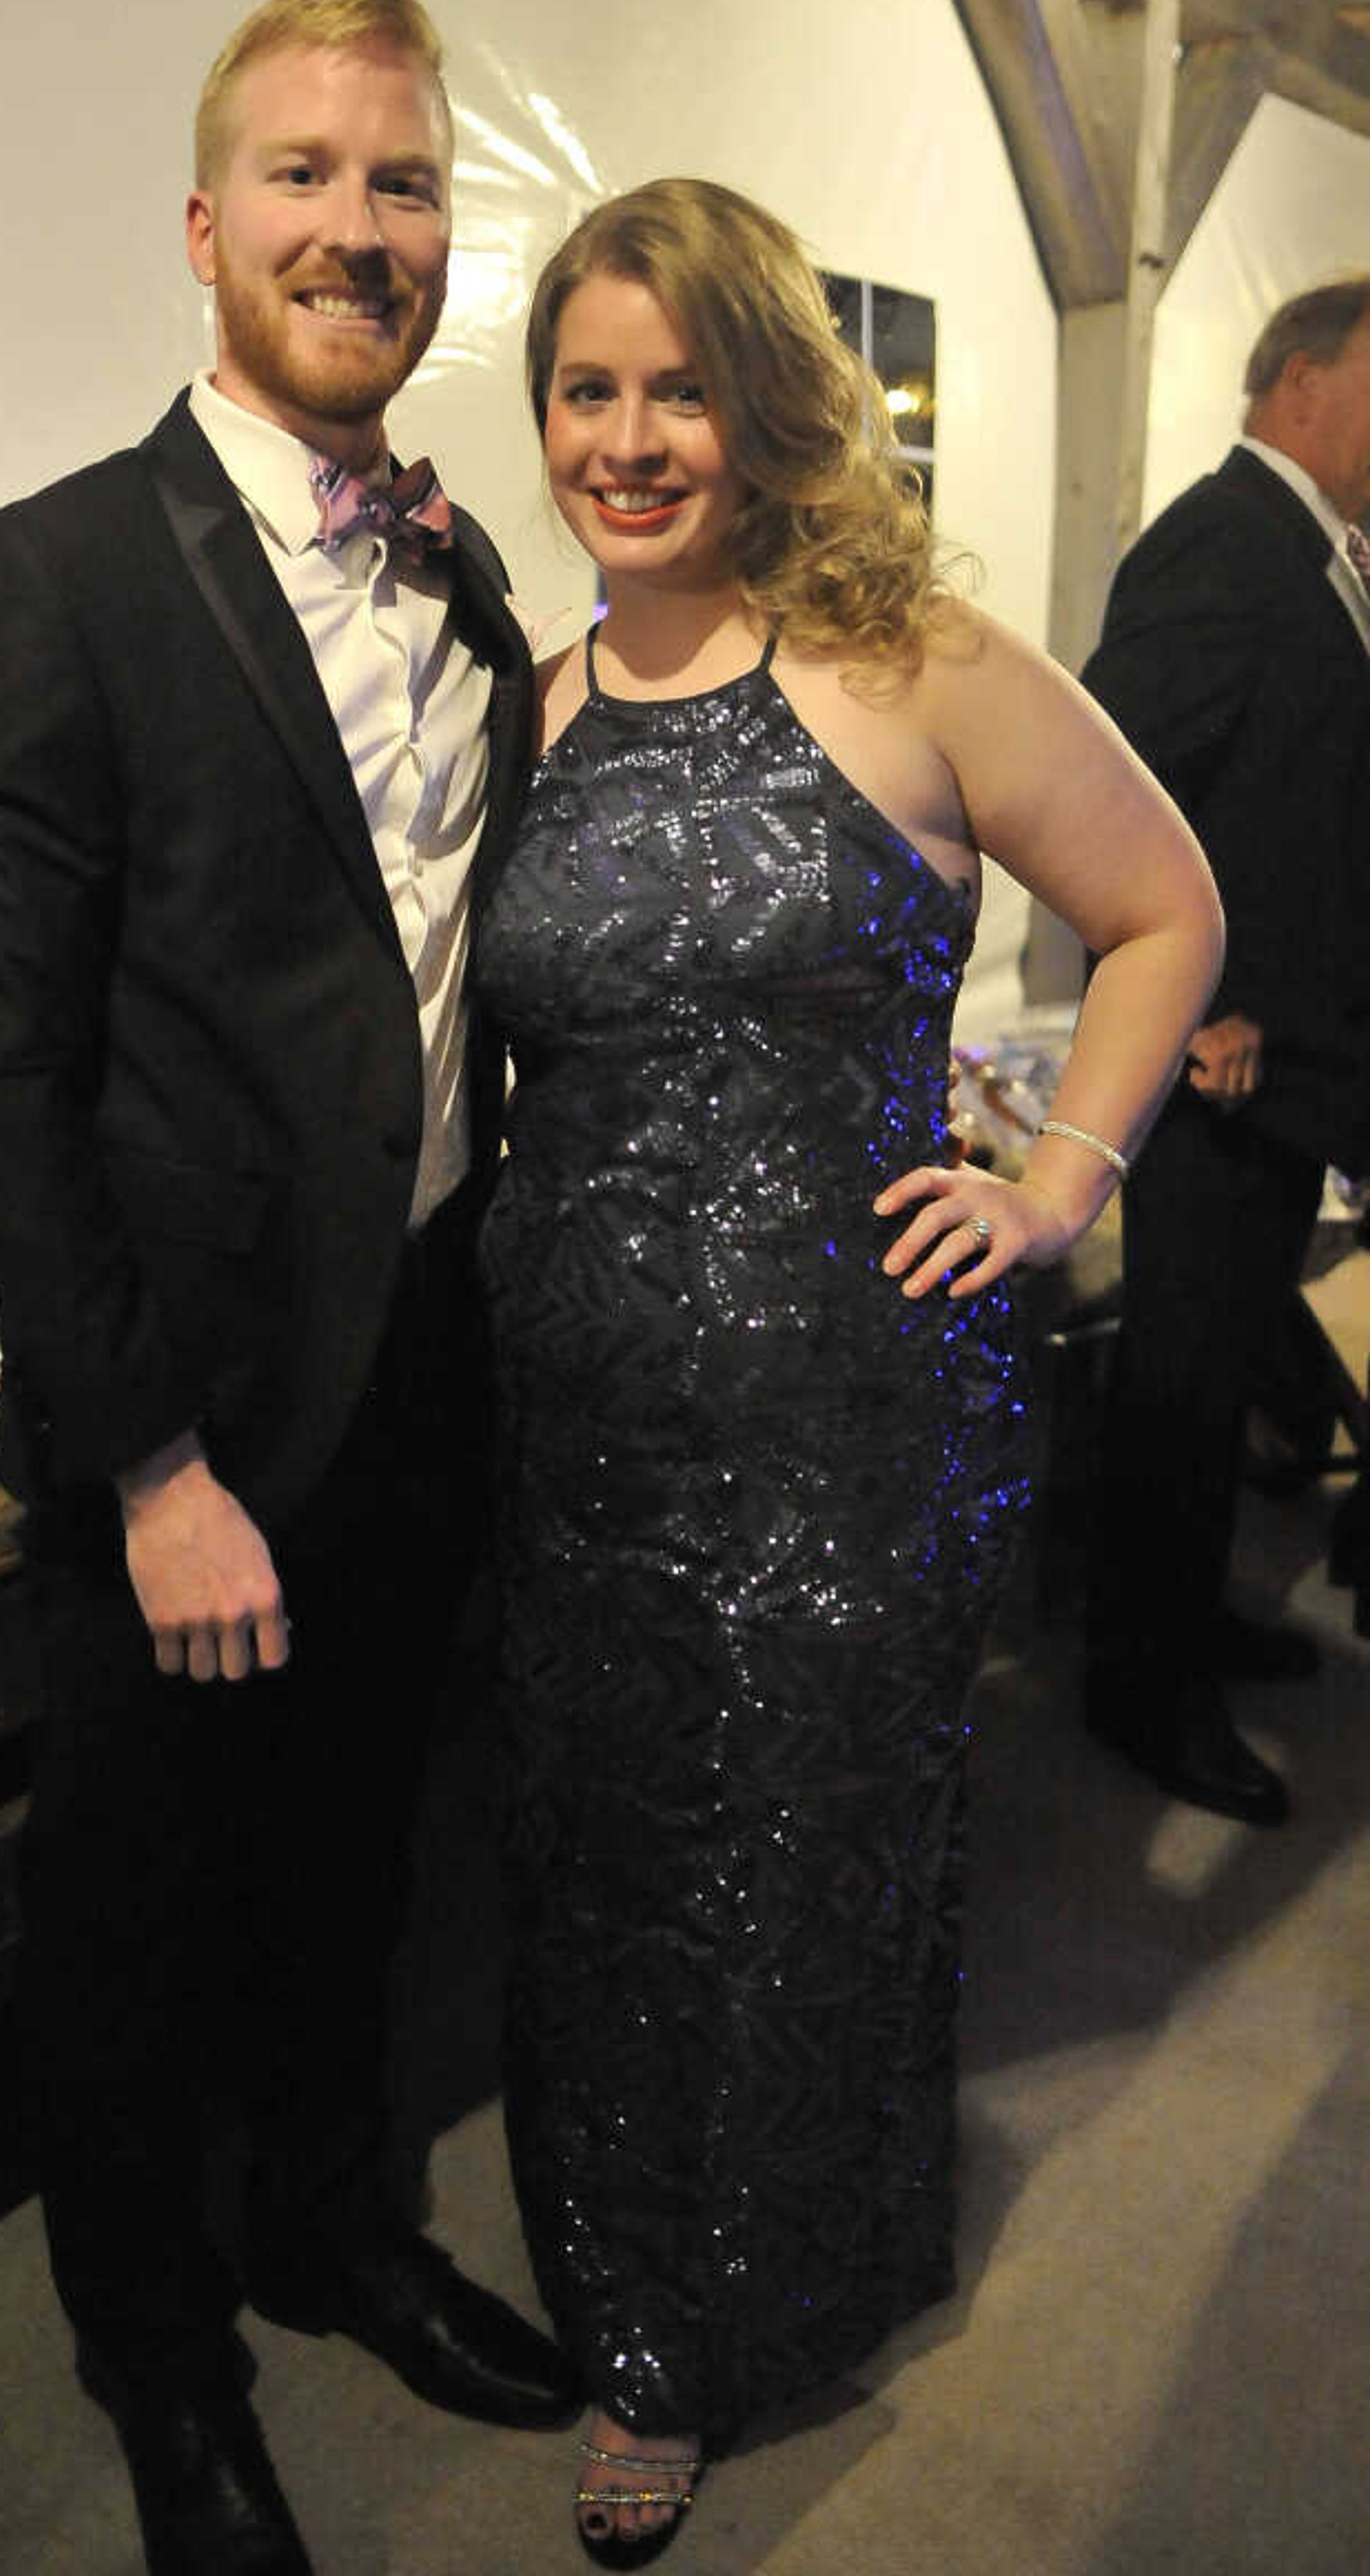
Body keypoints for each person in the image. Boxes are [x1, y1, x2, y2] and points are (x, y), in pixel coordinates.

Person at [473, 179, 1224, 2565]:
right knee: (606, 1883)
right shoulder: (544, 702)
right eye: (587, 390)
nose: (627, 437)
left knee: (800, 1876)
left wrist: (1066, 1176)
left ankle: (712, 2340)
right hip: (574, 1437)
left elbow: (1166, 906)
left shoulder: (917, 664)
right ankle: (641, 2277)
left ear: (771, 405)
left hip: (849, 1430)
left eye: (676, 385)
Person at [0, 0, 575, 2576]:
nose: (356, 227)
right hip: (172, 1428)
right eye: (303, 176)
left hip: (420, 1377)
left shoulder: (469, 568)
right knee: (137, 1931)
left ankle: (331, 2233)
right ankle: (166, 2371)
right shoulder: (46, 575)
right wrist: (150, 1463)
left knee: (354, 1873)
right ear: (208, 229)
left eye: (401, 186)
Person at [1080, 275, 1370, 1827]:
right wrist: (1203, 1003)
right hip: (1213, 1073)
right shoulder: (1221, 540)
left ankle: (1189, 1624)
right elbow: (1113, 798)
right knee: (1179, 1392)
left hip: (1292, 1070)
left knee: (1224, 1369)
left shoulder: (1316, 556)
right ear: (1304, 385)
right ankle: (1143, 1691)